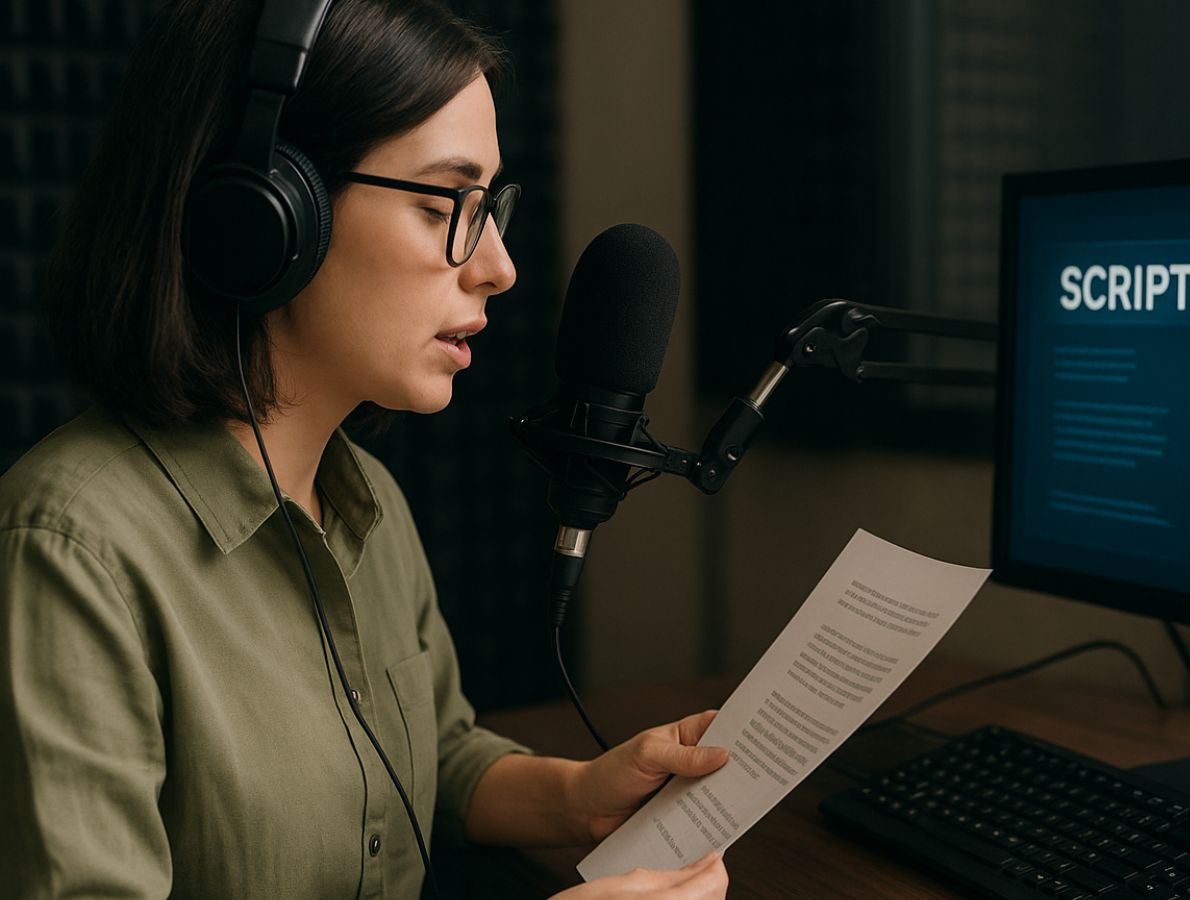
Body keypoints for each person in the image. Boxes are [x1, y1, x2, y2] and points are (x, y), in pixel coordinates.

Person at [0, 1, 728, 897]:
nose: (498, 266)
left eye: (492, 206)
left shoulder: (365, 500)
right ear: (264, 215)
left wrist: (577, 797)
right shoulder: (70, 552)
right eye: (443, 203)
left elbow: (432, 755)